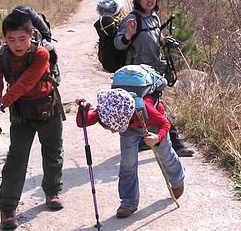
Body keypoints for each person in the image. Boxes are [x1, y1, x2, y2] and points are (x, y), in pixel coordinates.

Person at [0, 10, 64, 230]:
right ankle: (8, 208)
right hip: (21, 112)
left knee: (53, 153)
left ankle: (52, 191)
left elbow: (23, 84)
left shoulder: (41, 55)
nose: (17, 45)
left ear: (32, 35)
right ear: (4, 39)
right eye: (11, 40)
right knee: (16, 158)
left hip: (49, 107)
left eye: (22, 39)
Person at [76, 87, 185, 218]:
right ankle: (128, 202)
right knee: (127, 164)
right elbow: (83, 122)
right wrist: (85, 107)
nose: (111, 130)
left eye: (112, 127)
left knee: (165, 155)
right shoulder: (107, 109)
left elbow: (165, 124)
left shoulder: (145, 108)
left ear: (120, 120)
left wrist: (157, 138)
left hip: (152, 124)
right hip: (129, 128)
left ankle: (177, 180)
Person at [114, 0, 194, 157]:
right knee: (157, 107)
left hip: (153, 72)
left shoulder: (154, 17)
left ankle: (143, 141)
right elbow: (118, 44)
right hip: (137, 76)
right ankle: (176, 144)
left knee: (147, 107)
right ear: (138, 1)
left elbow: (156, 38)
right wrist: (128, 34)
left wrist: (165, 41)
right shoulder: (132, 19)